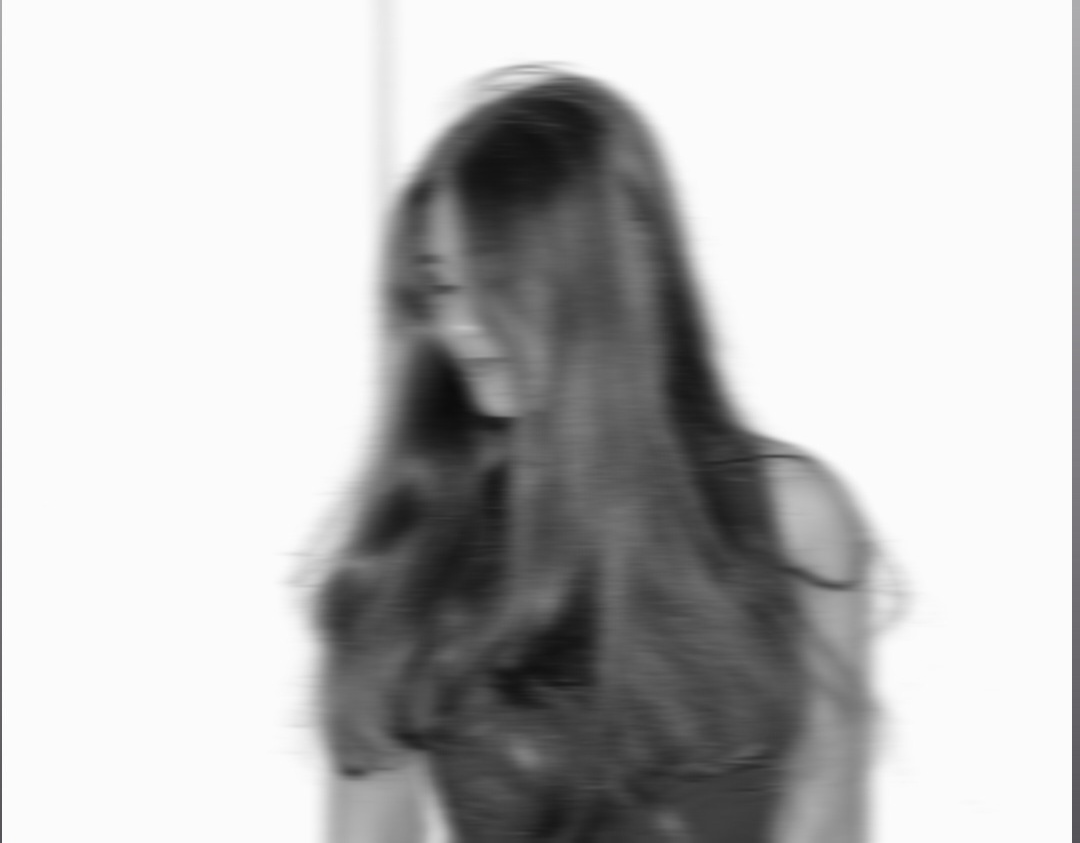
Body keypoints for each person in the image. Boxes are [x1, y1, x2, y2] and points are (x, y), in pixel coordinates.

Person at [305, 67, 878, 842]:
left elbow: (828, 819)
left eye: (495, 282)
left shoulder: (791, 520)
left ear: (610, 275)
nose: (460, 326)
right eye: (441, 287)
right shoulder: (415, 544)